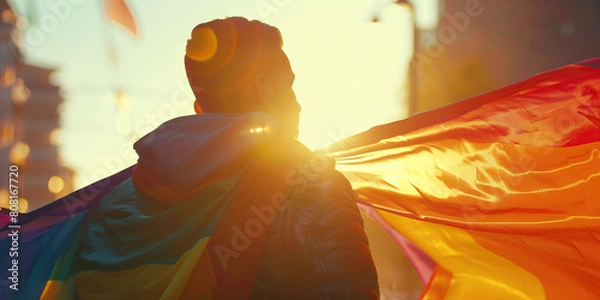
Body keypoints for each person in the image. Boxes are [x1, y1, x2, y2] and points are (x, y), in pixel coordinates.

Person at [73, 17, 379, 299]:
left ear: (199, 109)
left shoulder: (115, 203)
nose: (298, 105)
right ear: (263, 88)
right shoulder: (310, 185)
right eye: (289, 86)